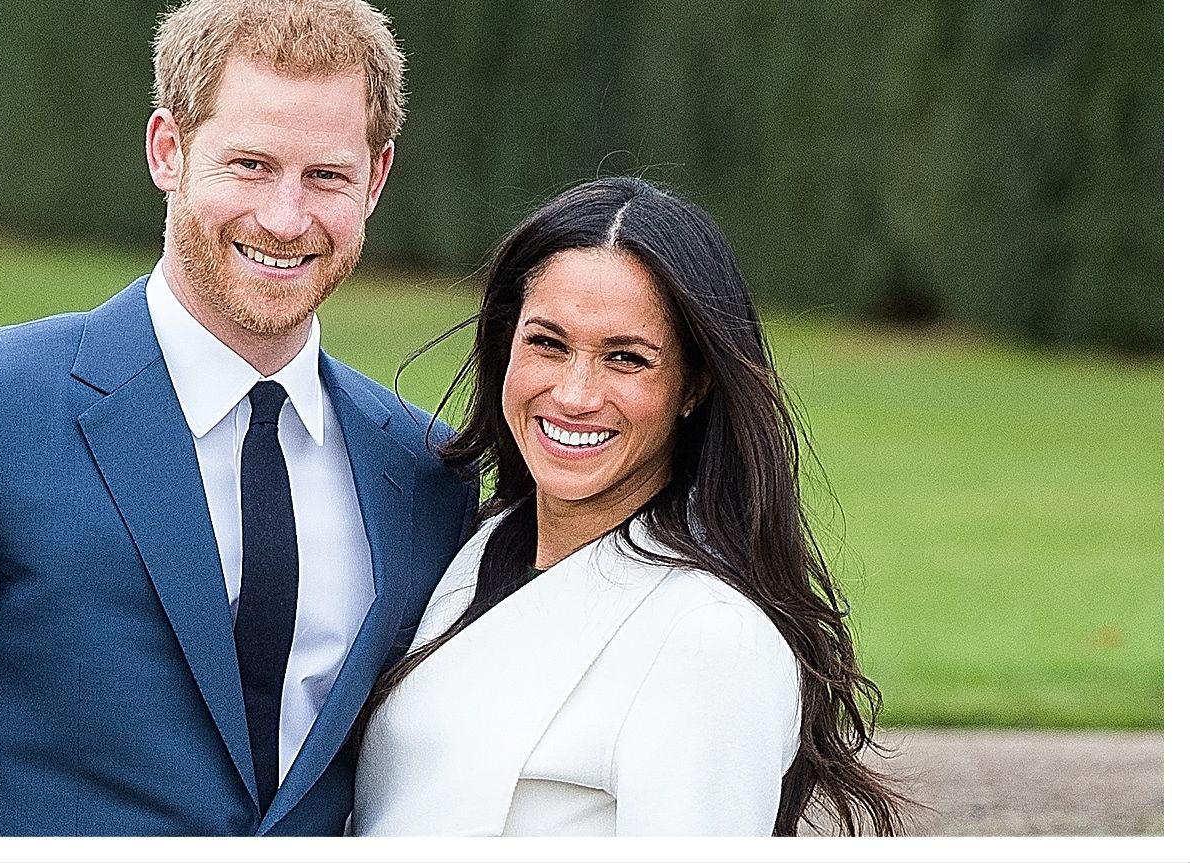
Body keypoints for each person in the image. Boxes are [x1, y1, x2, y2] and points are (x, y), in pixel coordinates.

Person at [0, 0, 478, 837]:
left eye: (326, 176)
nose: (287, 217)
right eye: (249, 164)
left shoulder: (427, 470)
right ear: (167, 151)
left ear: (376, 181)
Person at [352, 177, 910, 836]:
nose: (576, 393)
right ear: (507, 344)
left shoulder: (710, 636)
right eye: (548, 343)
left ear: (693, 384)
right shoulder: (469, 545)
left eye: (626, 358)